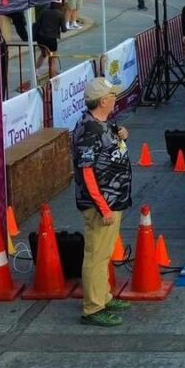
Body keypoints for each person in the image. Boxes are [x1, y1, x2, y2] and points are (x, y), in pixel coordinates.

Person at [72, 78, 134, 327]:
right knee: (96, 256)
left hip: (113, 199)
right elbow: (87, 172)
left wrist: (123, 137)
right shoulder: (89, 130)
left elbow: (110, 152)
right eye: (112, 96)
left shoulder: (103, 123)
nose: (115, 99)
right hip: (101, 204)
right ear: (103, 101)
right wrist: (103, 206)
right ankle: (93, 308)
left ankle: (103, 296)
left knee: (104, 253)